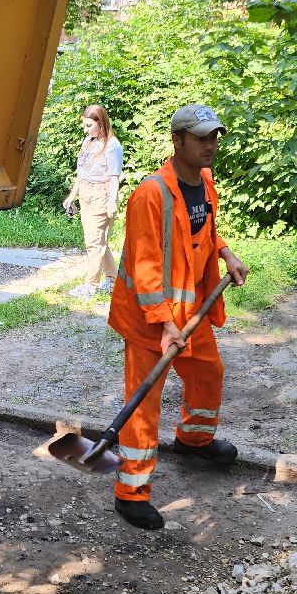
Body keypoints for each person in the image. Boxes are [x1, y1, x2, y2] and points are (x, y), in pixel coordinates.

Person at [106, 104, 248, 531]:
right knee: (144, 405)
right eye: (201, 138)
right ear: (178, 141)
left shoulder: (204, 182)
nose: (210, 146)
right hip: (152, 321)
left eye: (214, 138)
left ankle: (193, 440)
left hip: (191, 315)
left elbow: (202, 230)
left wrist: (225, 251)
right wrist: (165, 324)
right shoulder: (150, 196)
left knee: (208, 373)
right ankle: (130, 493)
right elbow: (146, 267)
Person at [62, 105, 124, 297]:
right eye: (85, 125)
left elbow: (114, 177)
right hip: (86, 197)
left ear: (101, 123)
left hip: (102, 197)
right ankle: (113, 280)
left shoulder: (113, 146)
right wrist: (72, 196)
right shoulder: (88, 141)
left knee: (94, 244)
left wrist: (112, 202)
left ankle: (91, 286)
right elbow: (82, 173)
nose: (86, 129)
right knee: (98, 242)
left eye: (89, 125)